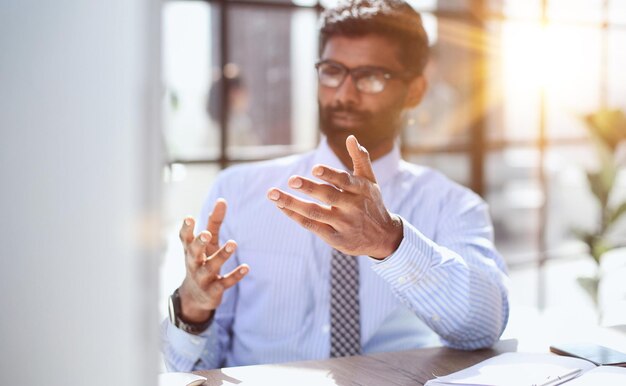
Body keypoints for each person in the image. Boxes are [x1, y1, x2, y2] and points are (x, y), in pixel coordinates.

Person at [162, 0, 509, 371]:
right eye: (332, 71)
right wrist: (193, 310)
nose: (344, 93)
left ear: (415, 91)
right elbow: (194, 369)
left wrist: (389, 241)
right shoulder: (237, 192)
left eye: (370, 76)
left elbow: (482, 329)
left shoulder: (453, 205)